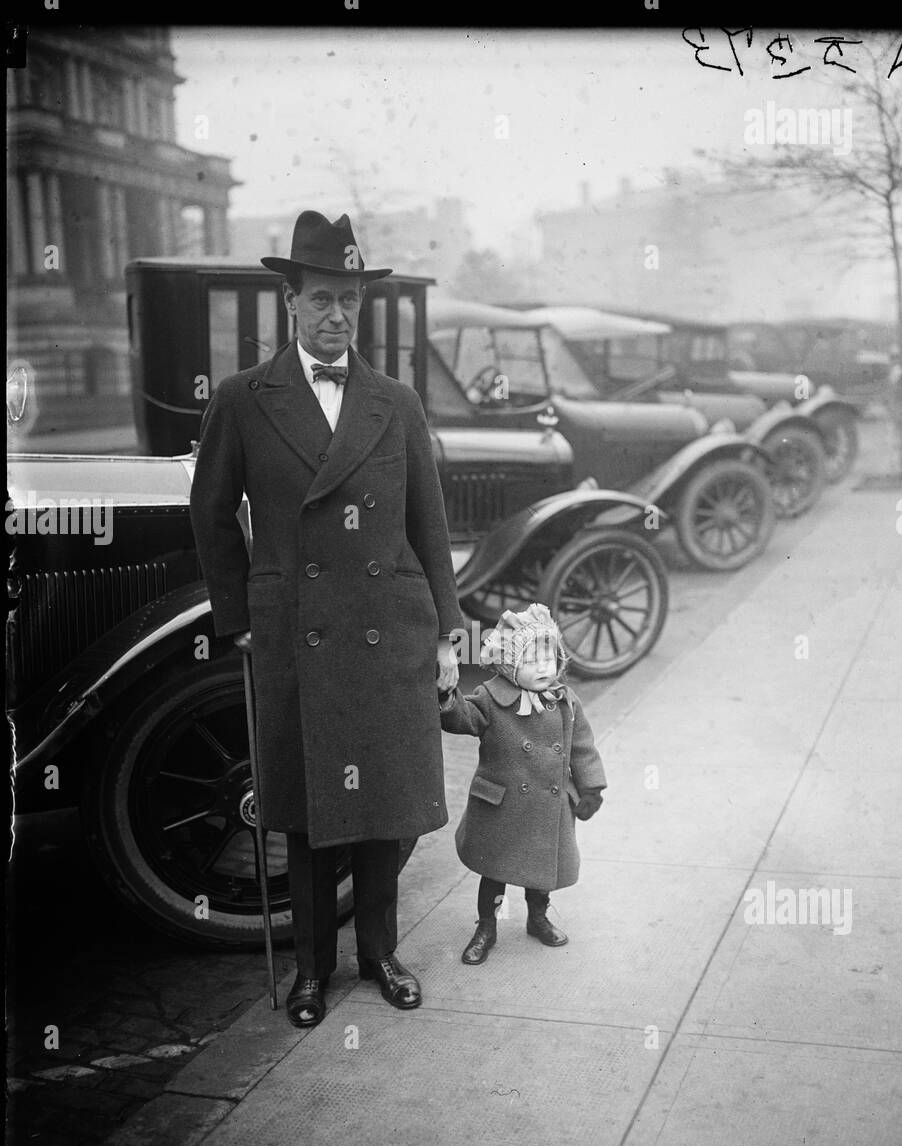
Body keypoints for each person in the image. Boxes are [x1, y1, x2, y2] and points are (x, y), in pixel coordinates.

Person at [189, 210, 462, 1027]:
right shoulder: (243, 398)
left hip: (388, 626)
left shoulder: (395, 401)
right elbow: (210, 513)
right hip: (295, 631)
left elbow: (428, 522)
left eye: (348, 299)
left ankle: (379, 953)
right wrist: (239, 612)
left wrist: (447, 630)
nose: (336, 314)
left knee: (382, 804)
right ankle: (311, 970)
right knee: (308, 809)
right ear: (291, 304)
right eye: (321, 299)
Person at [438, 603, 606, 964]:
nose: (544, 668)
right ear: (509, 663)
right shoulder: (491, 698)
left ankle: (538, 917)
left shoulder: (564, 700)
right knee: (494, 872)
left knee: (542, 869)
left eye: (549, 658)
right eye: (532, 660)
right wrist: (446, 696)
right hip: (503, 807)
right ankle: (486, 927)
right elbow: (462, 718)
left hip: (547, 805)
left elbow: (582, 746)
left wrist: (591, 786)